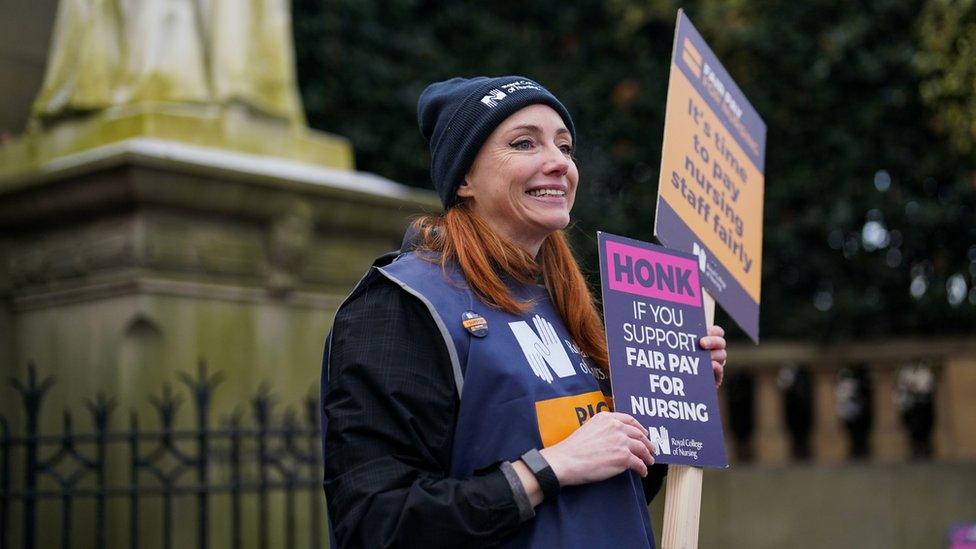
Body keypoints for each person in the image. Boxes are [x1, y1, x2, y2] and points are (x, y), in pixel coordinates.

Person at [320, 76, 728, 548]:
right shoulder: (402, 305)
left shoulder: (566, 308)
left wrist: (675, 396)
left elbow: (611, 494)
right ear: (465, 179)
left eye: (565, 146)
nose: (558, 163)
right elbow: (374, 522)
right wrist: (549, 468)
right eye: (524, 143)